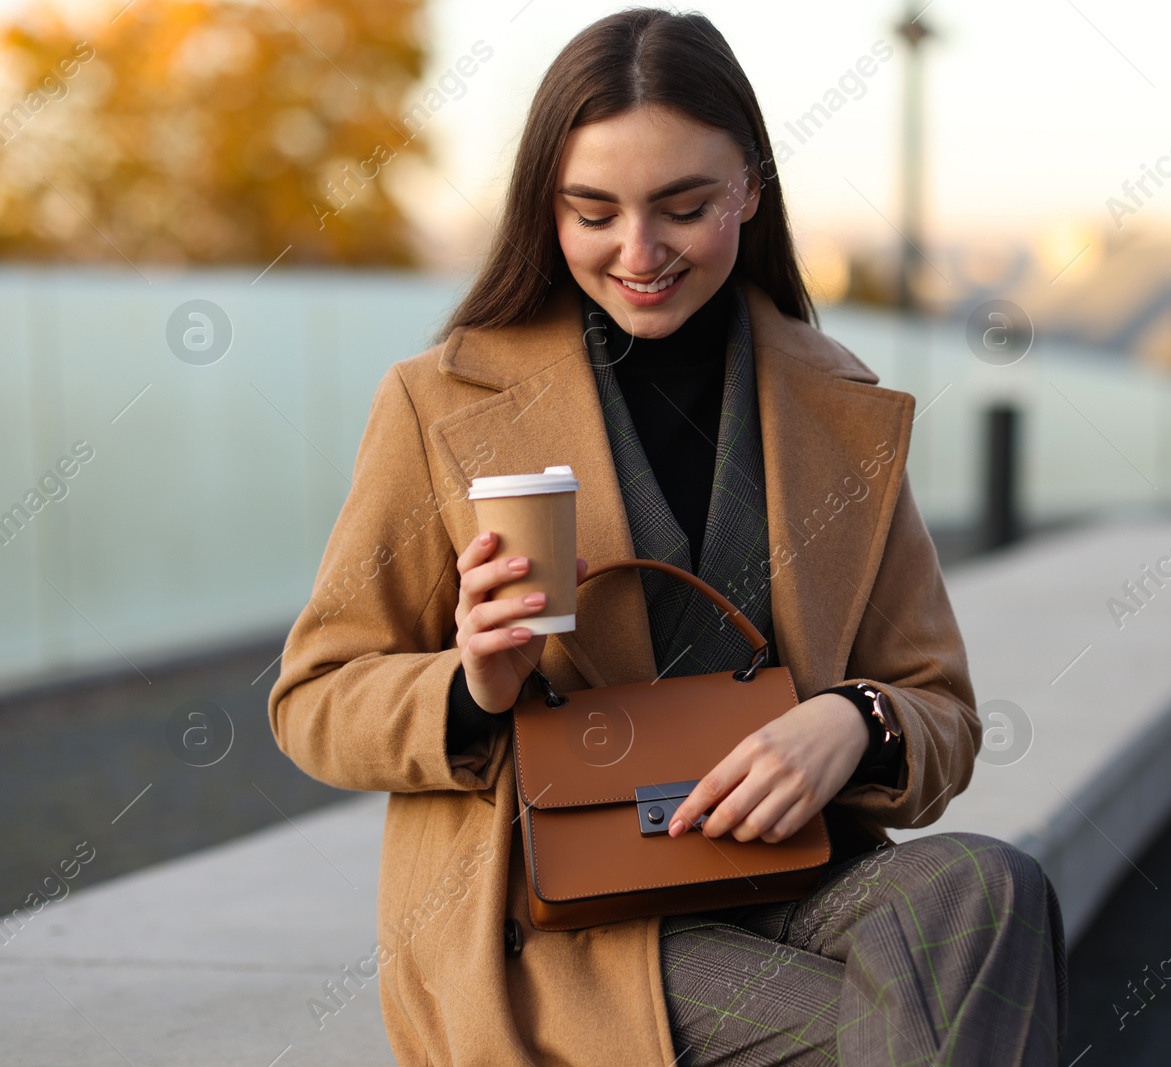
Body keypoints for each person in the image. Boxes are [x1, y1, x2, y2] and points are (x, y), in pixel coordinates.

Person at [268, 8, 1069, 1065]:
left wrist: (852, 721)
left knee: (985, 889)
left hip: (791, 869)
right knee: (908, 1024)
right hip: (563, 919)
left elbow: (941, 712)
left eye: (683, 207)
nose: (638, 253)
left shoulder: (838, 407)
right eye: (591, 211)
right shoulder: (438, 402)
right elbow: (312, 699)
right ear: (543, 207)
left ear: (749, 188)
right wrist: (475, 684)